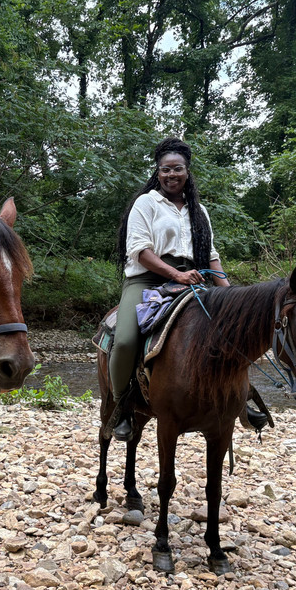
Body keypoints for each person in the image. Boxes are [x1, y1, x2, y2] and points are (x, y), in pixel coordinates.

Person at [108, 137, 230, 441]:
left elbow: (211, 255)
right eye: (165, 170)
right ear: (157, 172)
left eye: (177, 169)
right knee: (124, 341)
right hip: (147, 279)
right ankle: (122, 406)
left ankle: (240, 399)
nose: (171, 175)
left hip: (192, 276)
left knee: (231, 329)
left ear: (187, 172)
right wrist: (175, 275)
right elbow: (139, 250)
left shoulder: (199, 211)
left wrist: (230, 292)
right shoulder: (146, 203)